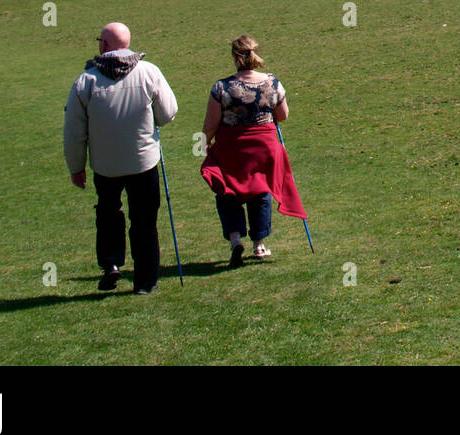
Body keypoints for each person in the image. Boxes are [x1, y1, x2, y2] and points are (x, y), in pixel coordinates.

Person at [63, 22, 178, 293]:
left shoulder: (86, 80)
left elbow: (74, 131)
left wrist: (75, 166)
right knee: (144, 221)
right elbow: (168, 113)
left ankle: (112, 263)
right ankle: (146, 281)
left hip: (105, 166)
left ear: (104, 45)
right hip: (143, 161)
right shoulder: (149, 72)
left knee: (108, 213)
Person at [200, 35, 303, 267]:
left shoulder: (222, 87)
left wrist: (205, 142)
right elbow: (283, 115)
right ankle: (259, 244)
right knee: (261, 190)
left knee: (227, 190)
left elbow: (210, 123)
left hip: (231, 148)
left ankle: (235, 239)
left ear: (235, 57)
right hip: (264, 146)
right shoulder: (272, 82)